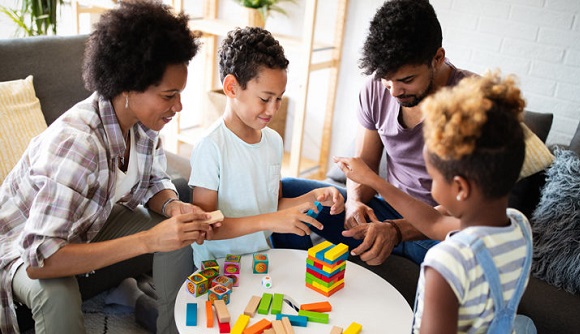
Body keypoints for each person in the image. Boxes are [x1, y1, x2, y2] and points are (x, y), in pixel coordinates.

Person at [0, 1, 215, 333]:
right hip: (21, 249)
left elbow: (153, 182)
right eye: (169, 95)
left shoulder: (142, 125)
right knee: (57, 294)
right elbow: (41, 259)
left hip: (82, 228)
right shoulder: (78, 143)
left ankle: (172, 326)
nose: (179, 106)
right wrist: (148, 241)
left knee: (179, 228)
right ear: (128, 86)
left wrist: (174, 208)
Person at [276, 0, 475, 265]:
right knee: (288, 193)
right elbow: (366, 163)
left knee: (456, 258)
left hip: (439, 229)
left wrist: (395, 230)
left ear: (437, 59)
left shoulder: (476, 103)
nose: (393, 92)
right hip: (385, 209)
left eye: (406, 80)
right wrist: (355, 203)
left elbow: (459, 212)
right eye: (386, 79)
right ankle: (299, 285)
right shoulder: (375, 89)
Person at [335, 71, 535, 333]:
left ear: (460, 187)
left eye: (434, 176)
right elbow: (435, 221)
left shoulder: (446, 261)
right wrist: (375, 181)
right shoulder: (519, 226)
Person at [188, 27, 344, 267]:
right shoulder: (211, 147)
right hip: (218, 268)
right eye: (265, 98)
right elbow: (205, 227)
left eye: (279, 98)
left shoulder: (273, 142)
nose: (273, 110)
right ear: (231, 87)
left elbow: (272, 206)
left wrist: (313, 198)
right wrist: (271, 221)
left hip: (261, 260)